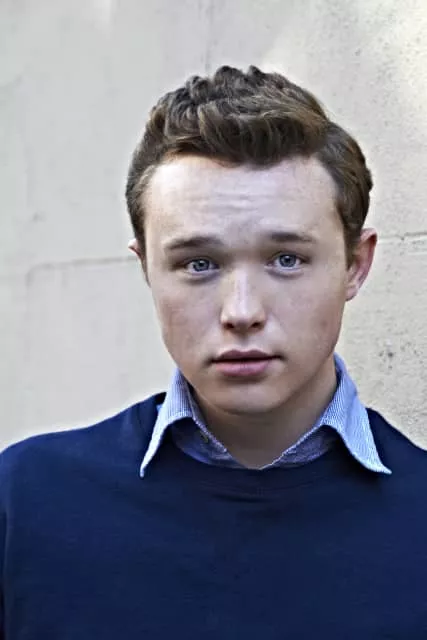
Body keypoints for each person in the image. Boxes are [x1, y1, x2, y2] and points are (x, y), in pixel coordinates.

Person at [0, 65, 426, 639]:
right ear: (147, 269)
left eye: (287, 259)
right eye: (199, 264)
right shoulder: (25, 502)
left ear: (355, 264)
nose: (242, 311)